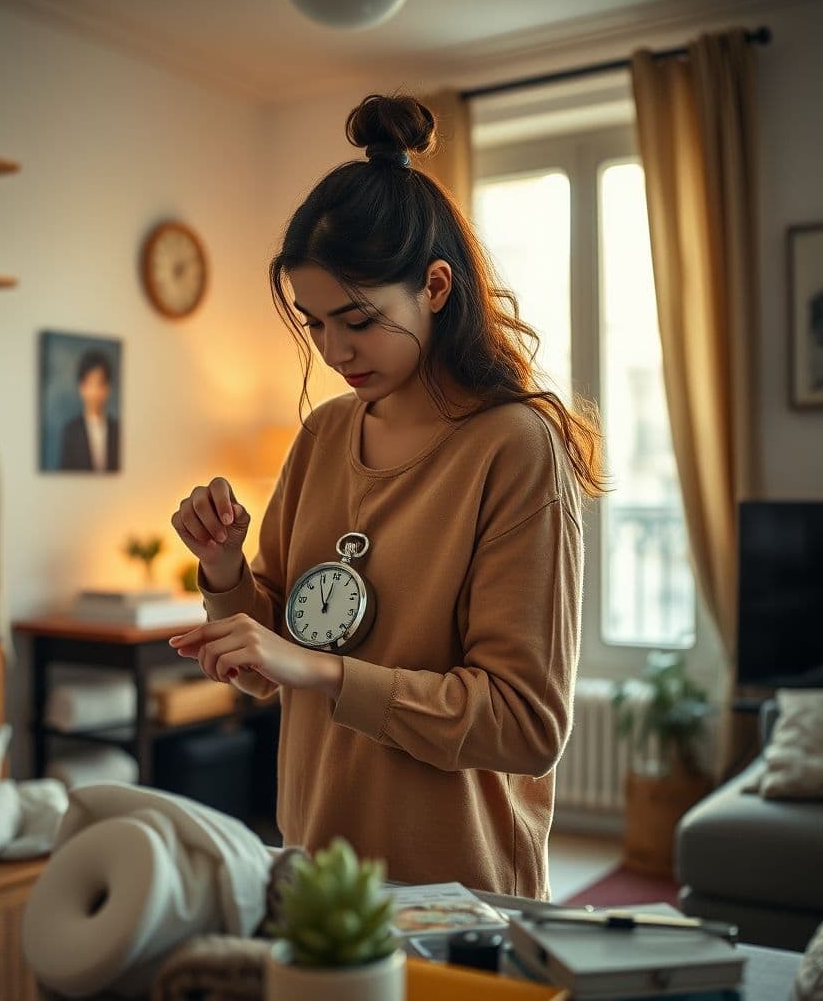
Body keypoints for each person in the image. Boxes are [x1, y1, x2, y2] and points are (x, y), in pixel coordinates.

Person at [169, 93, 606, 899]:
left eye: (358, 319)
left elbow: (524, 724)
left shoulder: (513, 448)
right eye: (315, 324)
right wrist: (226, 573)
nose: (335, 350)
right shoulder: (325, 436)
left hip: (457, 894)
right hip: (318, 876)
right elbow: (273, 663)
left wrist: (327, 676)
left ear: (436, 287)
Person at [59, 349, 120, 472]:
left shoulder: (117, 429)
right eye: (89, 384)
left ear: (108, 388)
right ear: (81, 388)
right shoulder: (71, 431)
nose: (94, 392)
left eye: (99, 384)